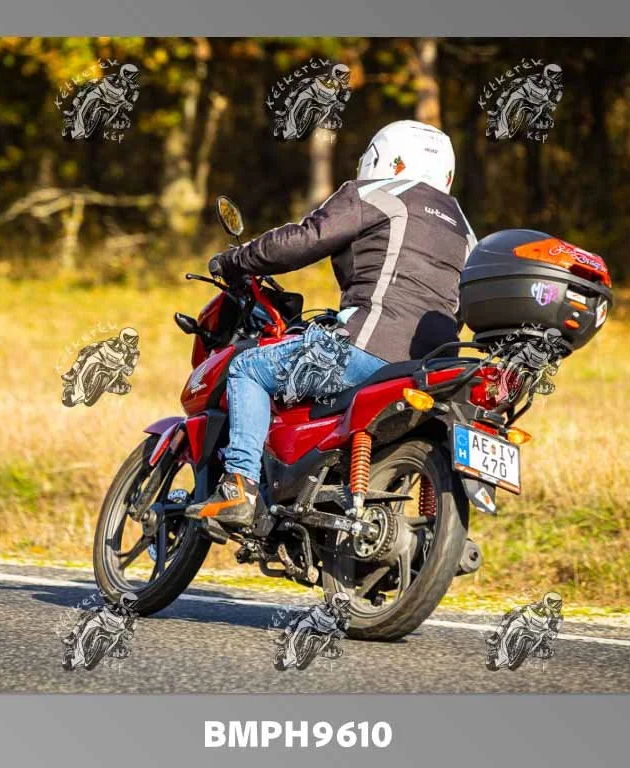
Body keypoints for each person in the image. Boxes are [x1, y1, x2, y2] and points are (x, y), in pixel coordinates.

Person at [186, 120, 477, 529]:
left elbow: (305, 239)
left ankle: (239, 488)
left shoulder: (379, 193)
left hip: (364, 349)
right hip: (431, 369)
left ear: (385, 159)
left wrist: (237, 259)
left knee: (248, 369)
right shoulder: (466, 231)